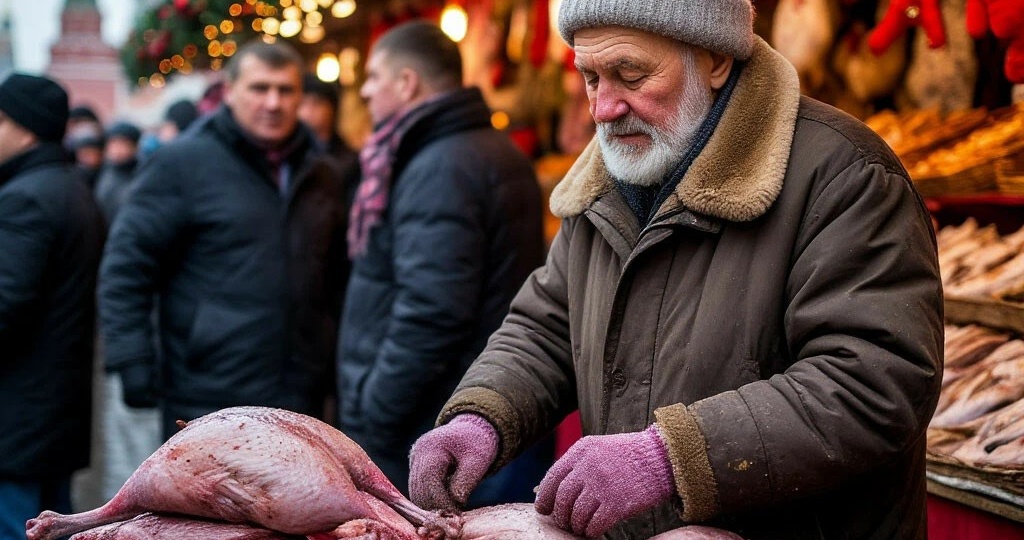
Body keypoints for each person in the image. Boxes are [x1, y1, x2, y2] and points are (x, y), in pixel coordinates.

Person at [408, 2, 944, 539]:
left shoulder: (844, 177)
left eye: (630, 74)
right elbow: (546, 327)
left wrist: (674, 458)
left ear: (714, 59)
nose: (604, 108)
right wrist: (482, 418)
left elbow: (873, 379)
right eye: (591, 77)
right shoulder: (606, 180)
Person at [99, 40, 350, 440]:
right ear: (230, 92)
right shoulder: (182, 163)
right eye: (259, 88)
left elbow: (337, 275)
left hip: (300, 389)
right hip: (208, 389)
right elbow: (128, 264)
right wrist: (131, 356)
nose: (273, 102)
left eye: (286, 90)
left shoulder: (322, 172)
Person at [338, 21, 546, 496]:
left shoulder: (439, 165)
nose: (366, 91)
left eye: (374, 76)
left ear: (406, 82)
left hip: (435, 415)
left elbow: (432, 311)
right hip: (479, 401)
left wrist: (377, 411)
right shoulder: (490, 148)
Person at [0, 74, 105, 538]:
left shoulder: (24, 198)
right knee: (52, 522)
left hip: (18, 413)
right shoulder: (69, 186)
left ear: (23, 127)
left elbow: (5, 305)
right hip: (52, 407)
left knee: (18, 524)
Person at [298, 73, 361, 209]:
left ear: (332, 109)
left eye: (316, 103)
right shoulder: (288, 157)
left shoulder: (350, 161)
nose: (307, 111)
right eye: (302, 103)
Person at [94, 121, 142, 225]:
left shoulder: (142, 174)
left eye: (123, 144)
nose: (117, 150)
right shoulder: (103, 171)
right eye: (113, 144)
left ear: (135, 147)